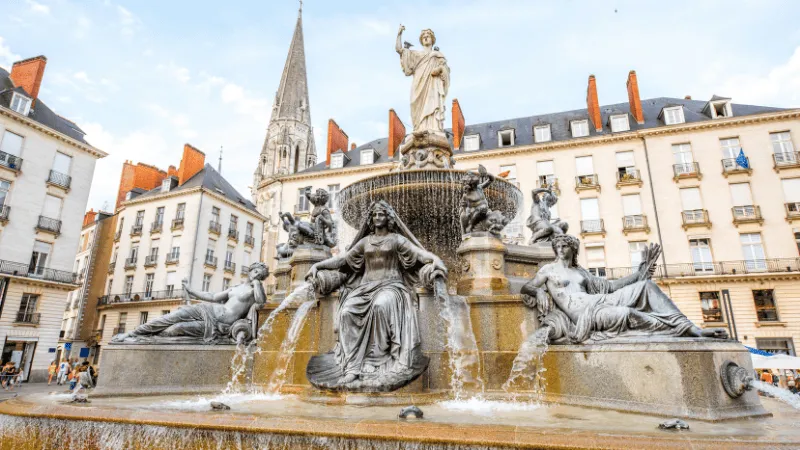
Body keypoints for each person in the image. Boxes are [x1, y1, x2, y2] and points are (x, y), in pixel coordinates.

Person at [306, 200, 447, 389]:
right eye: (374, 215)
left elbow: (419, 254)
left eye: (381, 214)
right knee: (347, 312)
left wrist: (436, 259)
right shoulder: (365, 242)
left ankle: (377, 360)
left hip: (391, 286)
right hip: (364, 288)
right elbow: (342, 259)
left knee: (381, 305)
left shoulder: (397, 239)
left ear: (388, 218)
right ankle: (352, 368)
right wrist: (318, 265)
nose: (378, 217)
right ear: (371, 219)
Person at [521, 234, 728, 344]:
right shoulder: (548, 270)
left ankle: (693, 329)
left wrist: (639, 273)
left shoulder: (581, 273)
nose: (560, 248)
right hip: (586, 315)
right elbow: (527, 286)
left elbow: (610, 286)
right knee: (627, 313)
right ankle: (677, 331)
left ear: (573, 250)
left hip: (600, 300)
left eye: (565, 245)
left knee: (646, 286)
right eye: (558, 245)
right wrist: (539, 291)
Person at [112, 262, 268, 343]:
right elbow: (213, 297)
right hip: (209, 309)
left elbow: (261, 302)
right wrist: (191, 290)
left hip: (219, 323)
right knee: (173, 317)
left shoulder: (255, 291)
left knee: (177, 328)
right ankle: (131, 334)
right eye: (256, 272)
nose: (257, 275)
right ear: (250, 271)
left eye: (261, 275)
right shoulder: (236, 287)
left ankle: (147, 337)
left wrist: (257, 284)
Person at [395, 26, 450, 134]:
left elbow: (446, 71)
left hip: (432, 85)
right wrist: (399, 34)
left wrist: (439, 69)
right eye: (423, 36)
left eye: (428, 36)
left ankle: (433, 127)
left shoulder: (437, 56)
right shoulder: (416, 54)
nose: (425, 38)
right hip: (418, 84)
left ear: (432, 39)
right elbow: (399, 49)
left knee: (432, 103)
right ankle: (419, 128)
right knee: (414, 104)